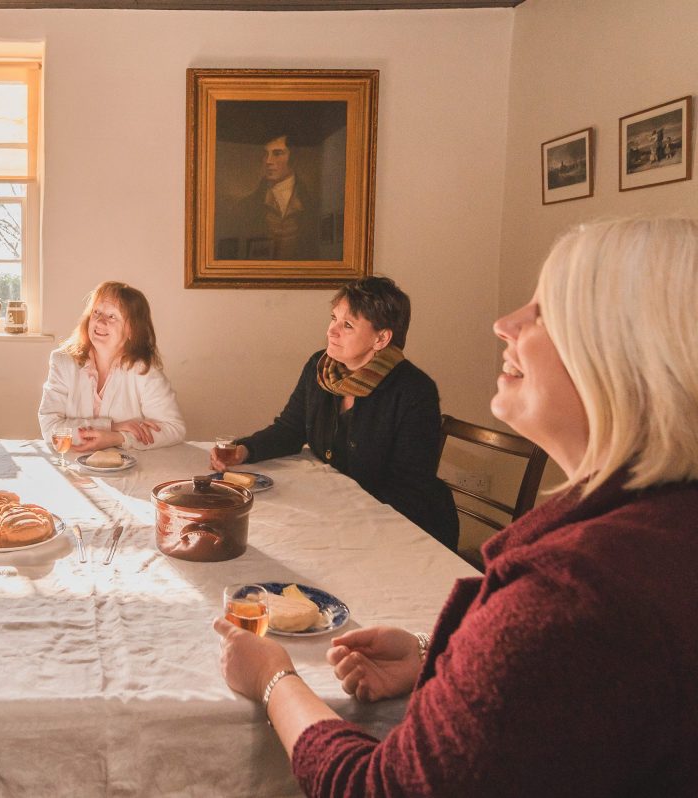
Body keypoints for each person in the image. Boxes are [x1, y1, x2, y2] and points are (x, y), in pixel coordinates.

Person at [214, 217, 698, 796]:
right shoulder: (658, 526)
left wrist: (274, 679)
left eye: (547, 310)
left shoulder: (571, 590)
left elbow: (382, 787)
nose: (504, 323)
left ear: (629, 357)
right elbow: (559, 689)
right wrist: (431, 654)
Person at [211, 276, 458, 548]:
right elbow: (290, 429)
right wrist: (244, 450)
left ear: (381, 338)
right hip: (343, 516)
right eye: (333, 318)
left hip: (405, 530)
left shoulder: (414, 390)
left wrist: (336, 509)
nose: (331, 331)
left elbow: (407, 488)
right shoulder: (320, 366)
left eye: (348, 325)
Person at [38, 281, 185, 452]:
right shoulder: (62, 361)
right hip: (72, 466)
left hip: (129, 472)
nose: (100, 322)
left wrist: (118, 438)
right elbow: (49, 426)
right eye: (96, 313)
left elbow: (174, 428)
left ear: (132, 330)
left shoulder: (144, 371)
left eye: (112, 316)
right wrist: (112, 427)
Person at [215, 131, 322, 261]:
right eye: (266, 154)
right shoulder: (245, 206)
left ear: (293, 157)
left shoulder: (315, 204)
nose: (268, 161)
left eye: (277, 153)